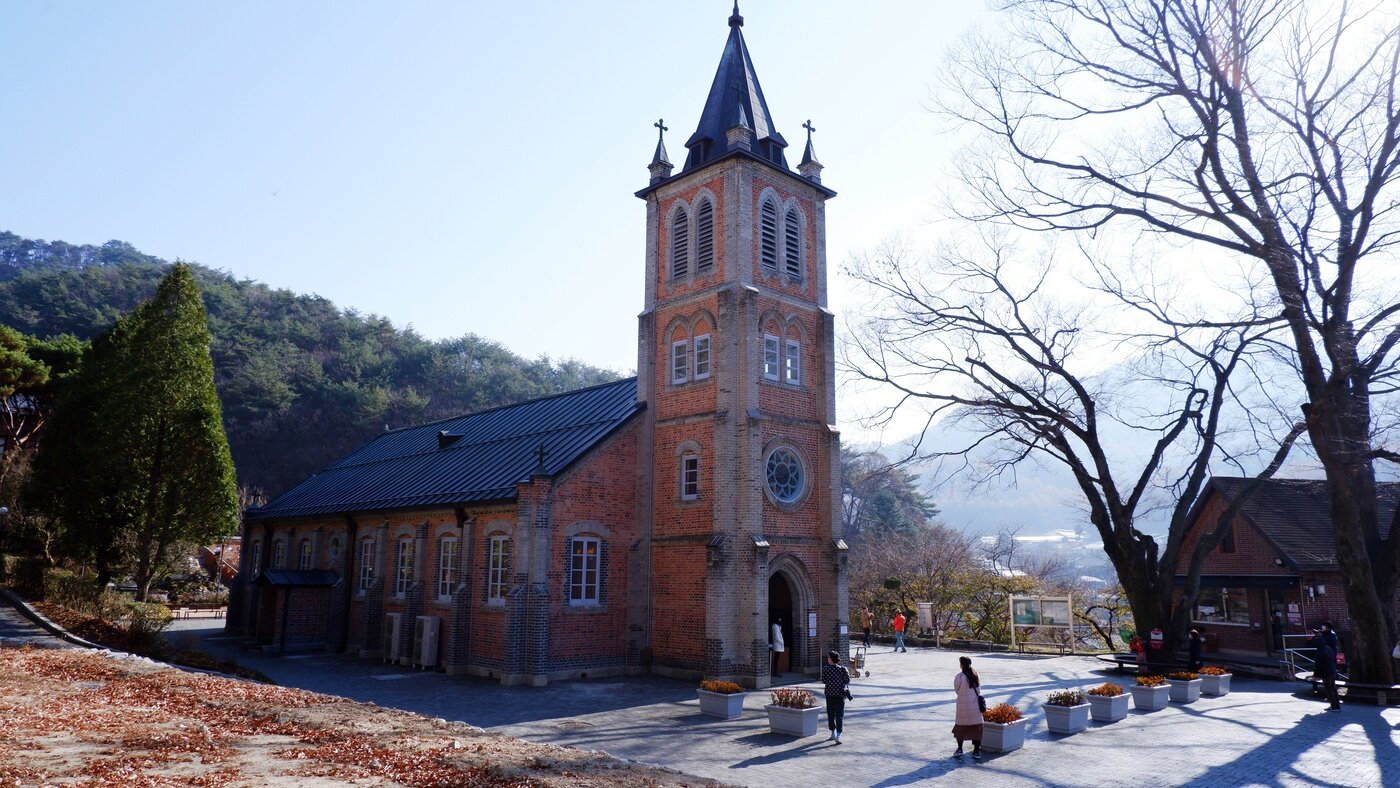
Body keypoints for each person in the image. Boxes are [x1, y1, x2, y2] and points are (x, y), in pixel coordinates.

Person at [952, 656, 984, 759]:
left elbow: (957, 690)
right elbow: (978, 690)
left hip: (962, 705)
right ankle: (976, 751)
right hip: (975, 706)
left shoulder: (960, 677)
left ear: (961, 664)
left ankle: (960, 749)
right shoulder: (976, 675)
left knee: (960, 728)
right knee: (976, 729)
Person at [821, 650, 851, 743]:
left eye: (829, 657)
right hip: (840, 695)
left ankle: (832, 733)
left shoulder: (826, 669)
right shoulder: (843, 669)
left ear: (831, 659)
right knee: (839, 715)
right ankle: (839, 734)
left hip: (829, 694)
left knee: (830, 714)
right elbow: (847, 680)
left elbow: (824, 680)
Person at [1311, 621, 1341, 711]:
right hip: (1331, 669)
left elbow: (1318, 665)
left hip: (1326, 671)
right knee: (1332, 687)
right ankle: (1336, 705)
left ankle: (1334, 706)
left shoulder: (1321, 651)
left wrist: (1315, 675)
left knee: (1329, 688)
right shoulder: (1328, 649)